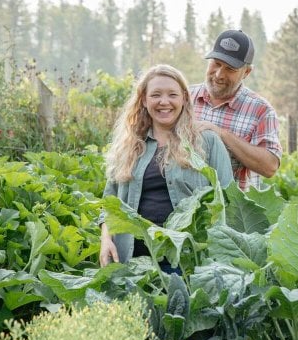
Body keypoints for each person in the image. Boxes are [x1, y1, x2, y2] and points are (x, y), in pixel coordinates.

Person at [99, 64, 233, 268]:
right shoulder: (129, 146)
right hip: (132, 258)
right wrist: (106, 240)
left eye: (172, 94)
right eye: (156, 95)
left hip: (188, 260)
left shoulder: (207, 142)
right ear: (144, 100)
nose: (164, 102)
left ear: (184, 99)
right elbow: (110, 203)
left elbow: (228, 200)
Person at [190, 29, 282, 191]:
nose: (219, 74)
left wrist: (222, 134)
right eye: (216, 64)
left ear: (246, 72)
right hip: (184, 207)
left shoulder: (261, 111)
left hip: (232, 211)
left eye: (230, 69)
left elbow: (270, 166)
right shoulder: (184, 98)